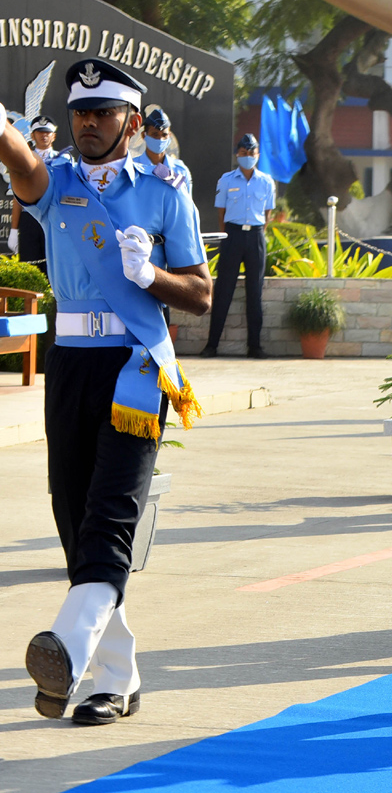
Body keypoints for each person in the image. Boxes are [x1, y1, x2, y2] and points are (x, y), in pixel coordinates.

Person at [1, 58, 210, 725]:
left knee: (112, 516)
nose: (87, 122)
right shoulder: (54, 181)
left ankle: (63, 648)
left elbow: (201, 294)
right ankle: (116, 676)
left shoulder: (164, 192)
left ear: (131, 121)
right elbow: (17, 160)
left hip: (137, 367)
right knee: (73, 520)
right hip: (69, 362)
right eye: (79, 113)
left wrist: (150, 275)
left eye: (102, 112)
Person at [200, 133, 275, 358]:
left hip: (255, 237)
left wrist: (258, 232)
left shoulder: (266, 181)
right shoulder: (226, 180)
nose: (248, 157)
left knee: (255, 293)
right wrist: (226, 234)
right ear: (237, 154)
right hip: (232, 235)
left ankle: (255, 346)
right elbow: (221, 212)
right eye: (244, 153)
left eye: (251, 153)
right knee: (223, 291)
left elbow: (268, 213)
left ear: (257, 155)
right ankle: (211, 345)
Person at [7, 115, 56, 264]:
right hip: (30, 218)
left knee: (54, 267)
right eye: (40, 132)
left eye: (47, 132)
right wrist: (14, 230)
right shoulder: (23, 161)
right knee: (31, 265)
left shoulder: (65, 160)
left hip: (54, 218)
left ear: (54, 136)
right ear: (33, 136)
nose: (44, 136)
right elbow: (18, 197)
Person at [134, 107, 193, 196]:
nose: (160, 139)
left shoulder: (180, 170)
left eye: (164, 135)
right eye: (155, 134)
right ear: (143, 135)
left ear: (169, 136)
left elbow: (187, 205)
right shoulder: (133, 168)